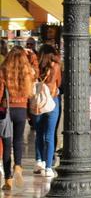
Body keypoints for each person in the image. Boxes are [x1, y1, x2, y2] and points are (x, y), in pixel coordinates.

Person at [0, 47, 34, 189]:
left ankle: (8, 179)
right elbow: (35, 77)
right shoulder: (27, 71)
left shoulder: (3, 70)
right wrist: (32, 56)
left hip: (6, 110)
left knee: (7, 144)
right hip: (21, 109)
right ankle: (18, 166)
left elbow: (0, 90)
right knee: (18, 140)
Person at [33, 44, 61, 178]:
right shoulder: (55, 66)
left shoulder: (36, 67)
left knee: (39, 133)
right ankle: (48, 167)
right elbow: (59, 83)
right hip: (52, 101)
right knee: (49, 135)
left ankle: (39, 161)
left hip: (38, 101)